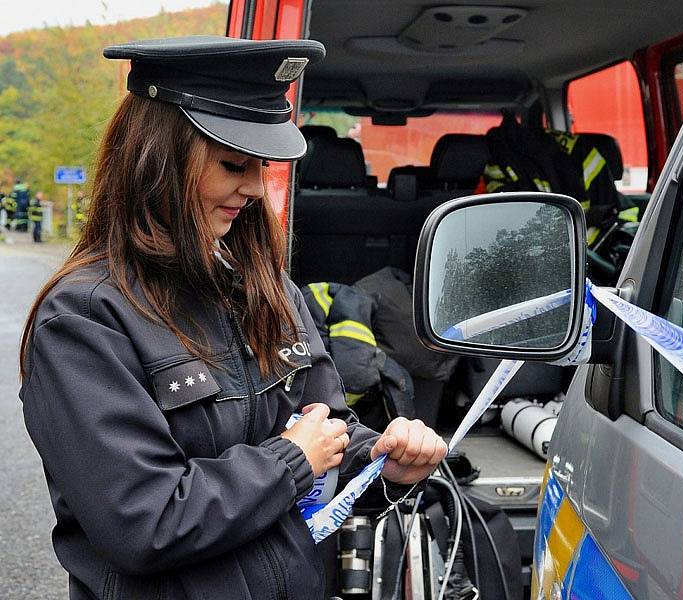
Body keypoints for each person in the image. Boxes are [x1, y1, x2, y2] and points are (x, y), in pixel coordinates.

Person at [18, 36, 447, 600]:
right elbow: (143, 523)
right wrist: (292, 459)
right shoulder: (83, 318)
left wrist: (381, 458)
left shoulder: (267, 291)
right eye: (232, 164)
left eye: (262, 166)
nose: (253, 189)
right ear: (156, 160)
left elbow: (325, 432)